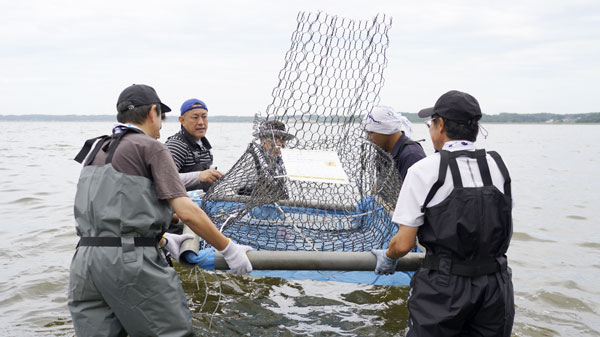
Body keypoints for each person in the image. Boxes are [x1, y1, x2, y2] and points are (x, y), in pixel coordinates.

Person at [68, 84, 253, 337]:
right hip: (129, 263)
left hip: (84, 263)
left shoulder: (96, 148)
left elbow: (112, 209)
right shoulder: (151, 147)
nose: (161, 126)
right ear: (153, 112)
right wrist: (228, 249)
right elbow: (186, 210)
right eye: (161, 117)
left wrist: (162, 239)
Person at [371, 90, 514, 336]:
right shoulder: (497, 165)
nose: (430, 130)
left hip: (445, 286)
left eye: (430, 124)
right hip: (495, 284)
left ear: (441, 125)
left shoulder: (423, 170)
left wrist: (389, 255)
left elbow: (404, 243)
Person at [165, 98, 222, 192]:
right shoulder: (176, 145)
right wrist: (199, 176)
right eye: (195, 117)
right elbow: (166, 179)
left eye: (204, 117)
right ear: (182, 120)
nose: (201, 122)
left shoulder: (204, 146)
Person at [362, 106, 426, 181]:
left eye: (371, 132)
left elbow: (414, 191)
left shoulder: (411, 156)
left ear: (386, 130)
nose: (367, 138)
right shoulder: (383, 151)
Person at [238, 120, 294, 199]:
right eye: (273, 138)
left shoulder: (279, 163)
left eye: (282, 139)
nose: (279, 143)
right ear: (261, 139)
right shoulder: (252, 160)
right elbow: (233, 189)